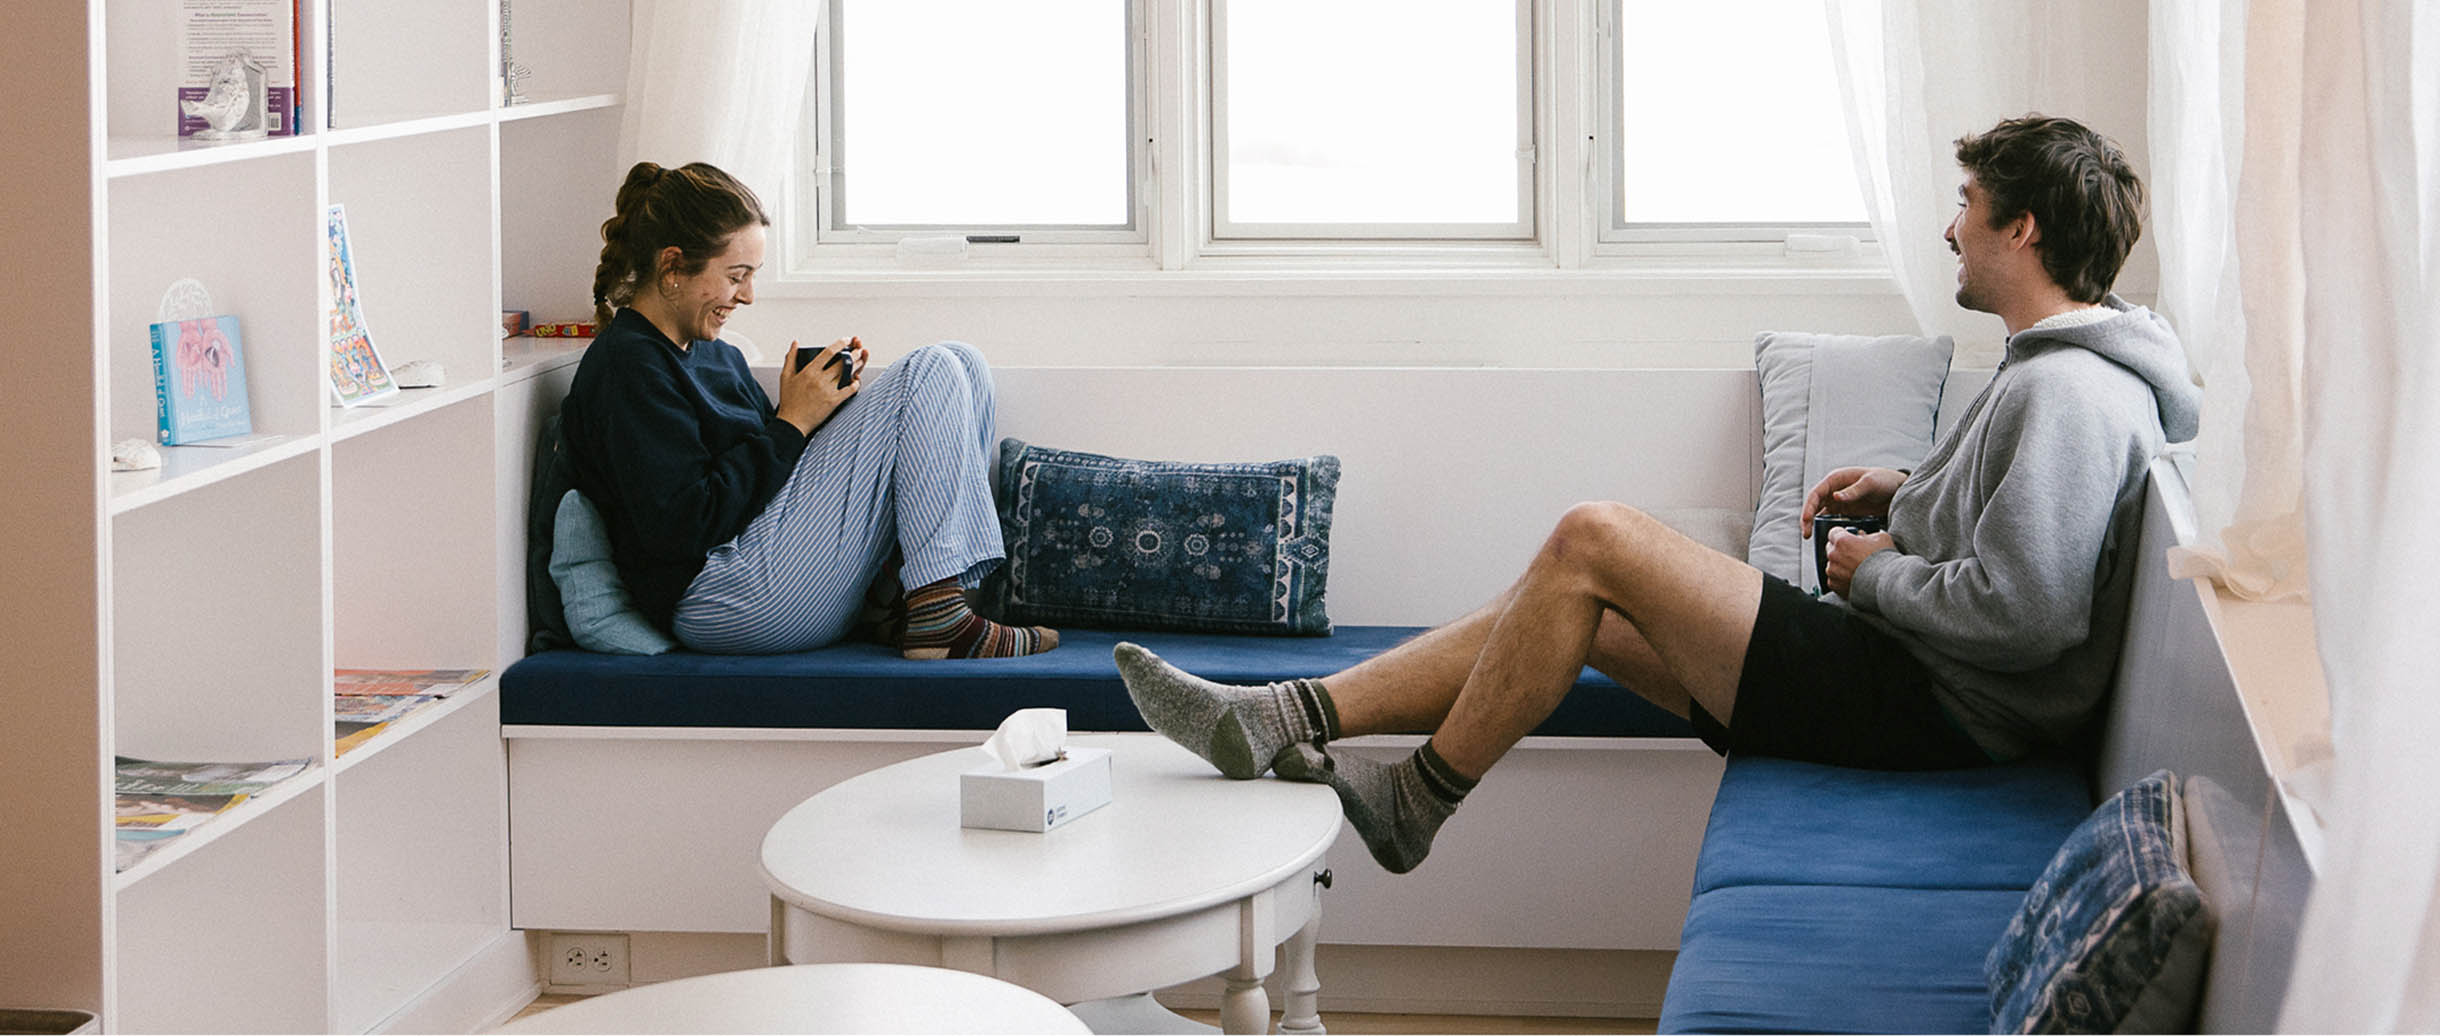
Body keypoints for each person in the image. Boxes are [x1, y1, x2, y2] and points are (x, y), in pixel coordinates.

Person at [1117, 114, 2200, 873]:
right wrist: (1909, 486)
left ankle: (1414, 794)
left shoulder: (2070, 393)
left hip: (1926, 703)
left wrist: (1875, 575)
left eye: (1967, 206)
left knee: (1593, 535)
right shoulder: (2056, 371)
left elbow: (2028, 611)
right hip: (1909, 681)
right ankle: (1285, 720)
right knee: (1565, 599)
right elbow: (2020, 531)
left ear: (2023, 229)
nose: (1950, 228)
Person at [558, 161, 1057, 659]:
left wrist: (823, 409)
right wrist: (791, 422)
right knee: (929, 370)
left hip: (767, 566)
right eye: (736, 276)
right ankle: (940, 618)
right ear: (671, 267)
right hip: (718, 598)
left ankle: (907, 602)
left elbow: (772, 477)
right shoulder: (628, 366)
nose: (748, 296)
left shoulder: (716, 355)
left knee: (963, 362)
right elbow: (683, 527)